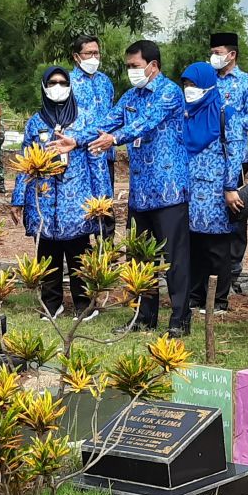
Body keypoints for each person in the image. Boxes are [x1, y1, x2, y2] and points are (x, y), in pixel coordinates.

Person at [64, 39, 191, 336]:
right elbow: (106, 121)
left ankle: (180, 320)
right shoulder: (131, 95)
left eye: (135, 66)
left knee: (174, 259)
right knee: (139, 258)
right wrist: (78, 139)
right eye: (128, 67)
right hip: (141, 193)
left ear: (153, 66)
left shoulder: (169, 93)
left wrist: (114, 139)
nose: (131, 72)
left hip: (169, 190)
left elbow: (145, 123)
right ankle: (144, 317)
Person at [11, 67, 109, 321]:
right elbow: (25, 161)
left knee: (78, 254)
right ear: (44, 87)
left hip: (78, 199)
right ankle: (51, 303)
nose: (58, 86)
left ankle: (84, 304)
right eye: (52, 82)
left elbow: (97, 161)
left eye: (63, 82)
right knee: (47, 253)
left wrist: (103, 202)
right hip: (44, 199)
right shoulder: (35, 122)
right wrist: (18, 197)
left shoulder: (85, 120)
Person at [183, 62, 248, 317]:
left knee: (218, 247)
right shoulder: (185, 114)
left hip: (216, 190)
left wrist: (230, 187)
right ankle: (195, 295)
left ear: (208, 84)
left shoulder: (226, 114)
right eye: (186, 85)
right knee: (194, 246)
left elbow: (234, 153)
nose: (190, 90)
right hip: (190, 189)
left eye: (194, 84)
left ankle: (219, 300)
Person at [210, 31, 248, 304]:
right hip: (208, 157)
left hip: (235, 155)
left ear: (231, 54)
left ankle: (233, 265)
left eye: (218, 52)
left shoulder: (246, 83)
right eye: (213, 52)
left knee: (235, 211)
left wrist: (227, 122)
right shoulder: (207, 81)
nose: (214, 57)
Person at [70, 34, 117, 236]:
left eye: (96, 53)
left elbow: (114, 114)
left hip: (105, 153)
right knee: (83, 204)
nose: (93, 57)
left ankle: (106, 252)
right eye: (88, 53)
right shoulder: (67, 82)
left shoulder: (106, 82)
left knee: (106, 205)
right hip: (81, 153)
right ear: (76, 56)